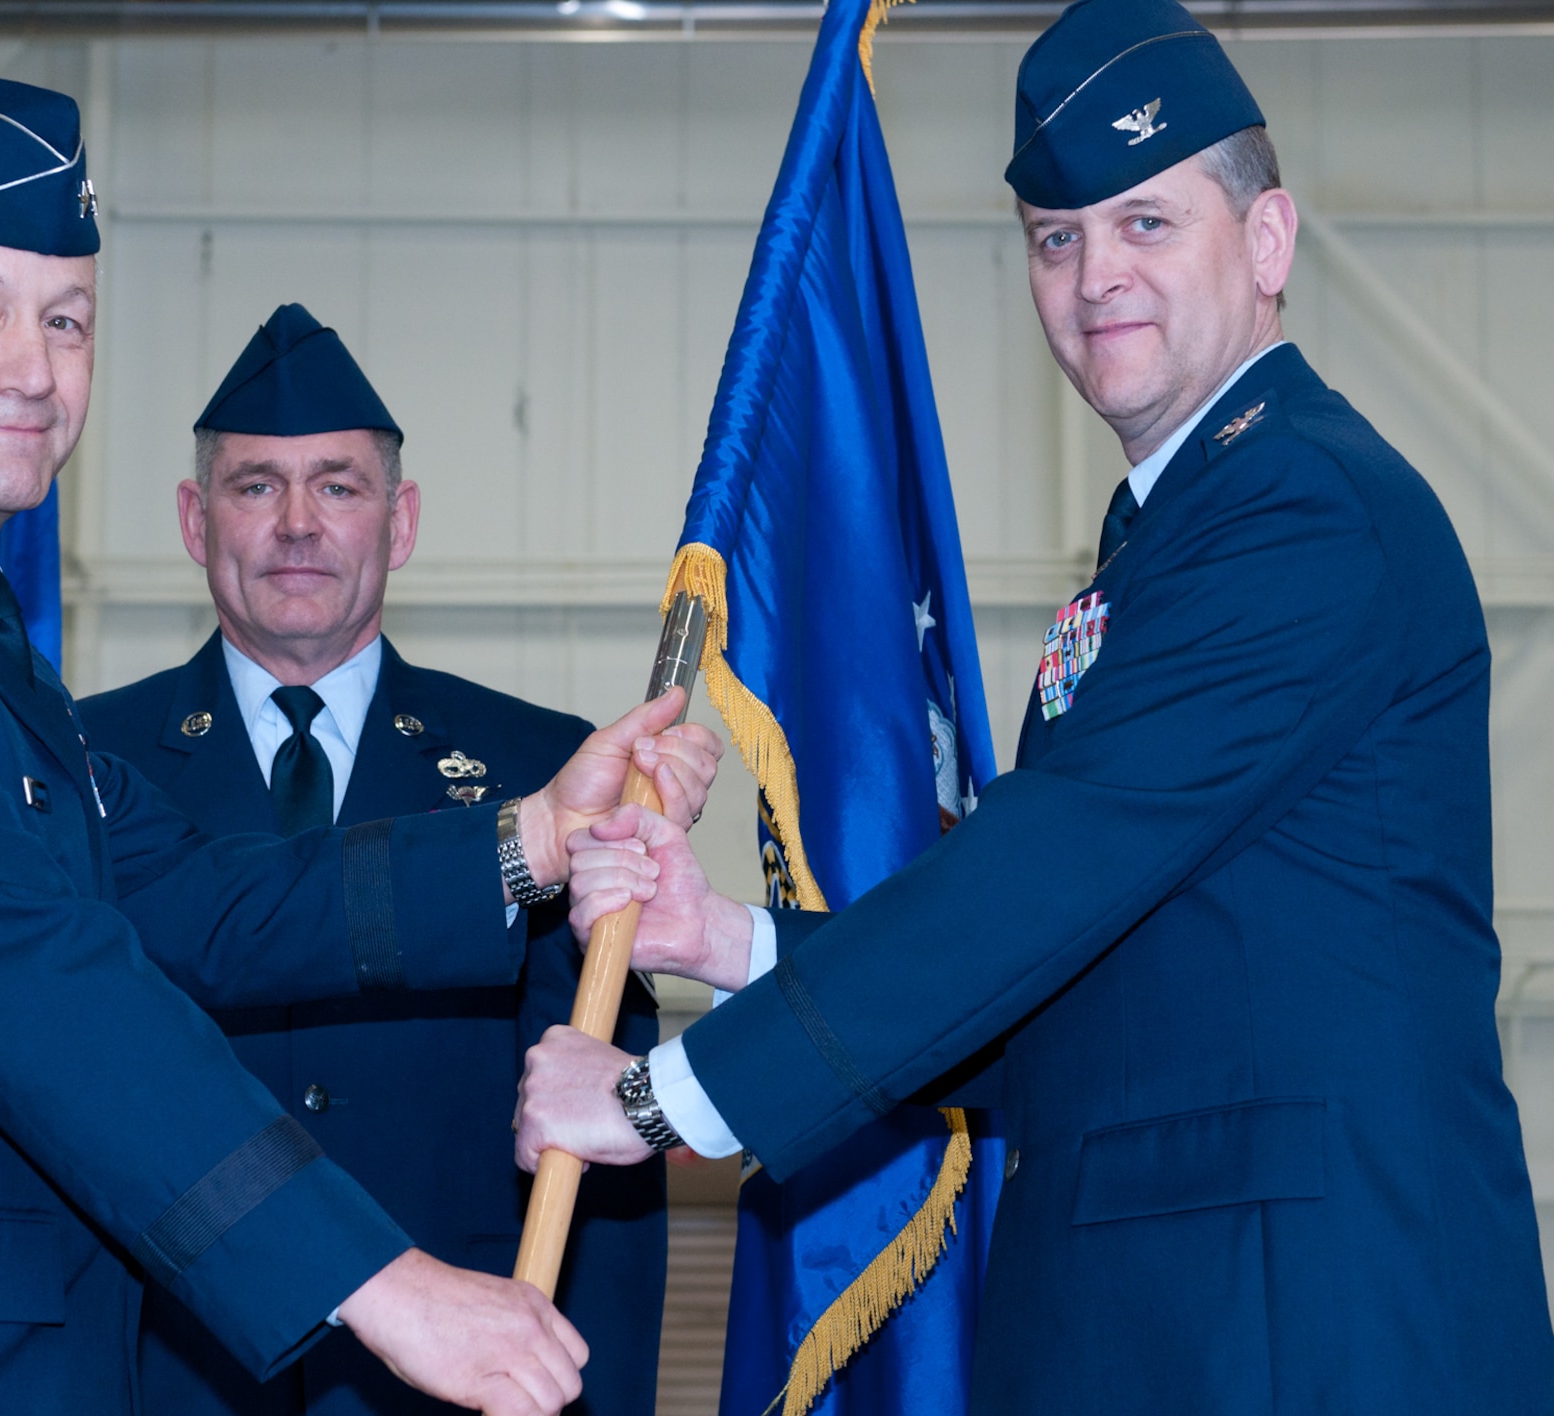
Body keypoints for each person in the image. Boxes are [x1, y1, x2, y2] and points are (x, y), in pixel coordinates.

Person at [0, 78, 719, 1416]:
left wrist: (535, 834)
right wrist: (383, 1283)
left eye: (64, 320)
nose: (31, 367)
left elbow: (196, 894)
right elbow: (51, 992)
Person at [514, 2, 1554, 1411]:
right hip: (1174, 1320)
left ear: (1267, 244)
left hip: (1299, 1327)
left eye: (1145, 224)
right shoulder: (1178, 530)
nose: (1092, 275)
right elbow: (1091, 976)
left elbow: (1039, 878)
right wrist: (735, 941)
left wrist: (661, 1101)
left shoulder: (1302, 511)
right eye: (1055, 239)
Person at [79, 304, 667, 1416]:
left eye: (337, 487)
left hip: (462, 1378)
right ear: (193, 521)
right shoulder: (80, 763)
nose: (296, 524)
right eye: (255, 486)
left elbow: (603, 1139)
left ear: (397, 523)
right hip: (166, 1369)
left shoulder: (542, 770)